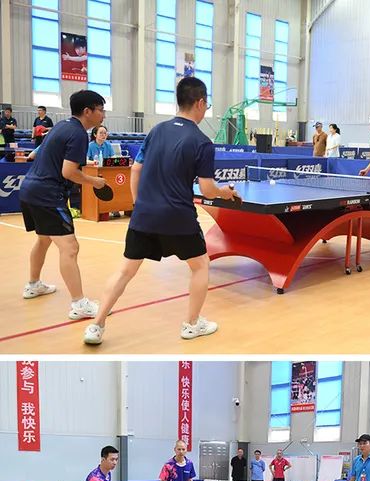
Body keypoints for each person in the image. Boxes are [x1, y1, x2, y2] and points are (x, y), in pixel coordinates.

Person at [83, 77, 239, 346]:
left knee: (125, 271)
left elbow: (135, 169)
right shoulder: (202, 142)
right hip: (179, 217)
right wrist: (225, 192)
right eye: (207, 105)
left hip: (144, 215)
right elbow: (207, 189)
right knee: (200, 265)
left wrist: (138, 205)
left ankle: (96, 325)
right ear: (200, 103)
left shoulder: (156, 131)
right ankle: (191, 324)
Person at [19, 90, 106, 320]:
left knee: (44, 239)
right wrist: (94, 181)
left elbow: (38, 155)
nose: (103, 114)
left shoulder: (61, 126)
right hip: (48, 195)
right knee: (70, 248)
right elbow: (68, 172)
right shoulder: (78, 134)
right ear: (87, 111)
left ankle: (33, 284)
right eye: (100, 109)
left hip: (29, 189)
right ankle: (79, 303)